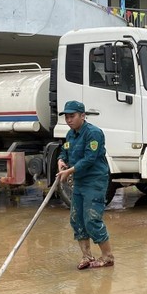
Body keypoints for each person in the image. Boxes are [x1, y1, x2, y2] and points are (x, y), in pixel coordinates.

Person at [56, 100, 115, 269]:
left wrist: (70, 171)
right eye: (66, 117)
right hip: (79, 181)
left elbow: (90, 158)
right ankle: (87, 256)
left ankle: (107, 257)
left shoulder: (93, 133)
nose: (69, 120)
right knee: (77, 219)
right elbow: (65, 150)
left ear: (83, 116)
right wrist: (61, 160)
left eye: (72, 116)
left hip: (94, 181)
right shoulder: (70, 134)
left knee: (92, 219)